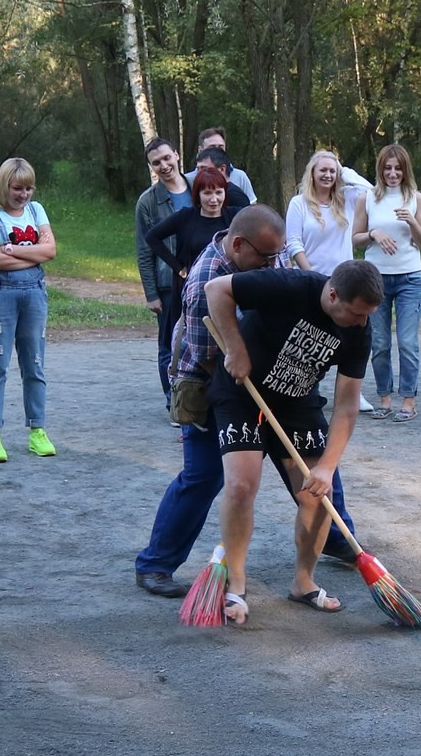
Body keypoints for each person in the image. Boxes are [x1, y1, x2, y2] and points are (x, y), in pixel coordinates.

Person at [135, 206, 368, 597]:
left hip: (277, 384)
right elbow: (210, 355)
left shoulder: (264, 265)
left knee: (318, 476)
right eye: (266, 256)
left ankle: (334, 537)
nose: (273, 263)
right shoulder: (206, 279)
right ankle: (156, 564)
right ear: (240, 245)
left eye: (277, 255)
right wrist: (250, 395)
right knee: (207, 476)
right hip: (212, 382)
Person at [202, 258, 383, 620]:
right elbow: (216, 289)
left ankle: (303, 581)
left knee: (318, 496)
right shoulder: (289, 285)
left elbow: (347, 406)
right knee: (241, 485)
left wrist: (327, 468)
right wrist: (236, 349)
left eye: (368, 316)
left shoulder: (359, 330)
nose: (363, 323)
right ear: (333, 295)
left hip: (297, 402)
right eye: (356, 313)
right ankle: (236, 584)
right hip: (242, 394)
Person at [0, 156, 56, 462]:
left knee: (34, 363)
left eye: (28, 188)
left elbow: (51, 250)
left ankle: (37, 430)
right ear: (4, 185)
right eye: (17, 188)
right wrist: (34, 256)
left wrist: (15, 252)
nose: (24, 195)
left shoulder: (36, 211)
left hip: (34, 293)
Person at [359, 143, 421, 421]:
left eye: (398, 168)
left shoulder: (416, 198)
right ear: (380, 169)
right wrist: (373, 233)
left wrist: (412, 221)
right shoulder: (368, 198)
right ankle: (385, 399)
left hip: (409, 278)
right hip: (375, 279)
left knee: (407, 342)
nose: (392, 173)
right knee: (379, 343)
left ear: (405, 170)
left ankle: (408, 401)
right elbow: (355, 238)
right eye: (387, 168)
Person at [143, 161, 239, 312]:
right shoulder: (185, 217)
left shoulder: (235, 216)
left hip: (226, 291)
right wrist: (178, 267)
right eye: (207, 193)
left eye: (218, 192)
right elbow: (152, 237)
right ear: (197, 194)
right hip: (192, 292)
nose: (214, 199)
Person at [135, 137, 190, 396]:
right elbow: (144, 251)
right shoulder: (147, 202)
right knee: (170, 343)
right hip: (168, 283)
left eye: (167, 158)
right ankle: (173, 400)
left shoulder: (198, 188)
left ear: (177, 155)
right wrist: (151, 294)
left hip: (203, 278)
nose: (164, 165)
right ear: (151, 167)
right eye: (156, 163)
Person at [285, 148, 367, 273]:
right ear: (312, 173)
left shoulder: (347, 198)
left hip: (343, 278)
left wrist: (343, 171)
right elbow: (294, 244)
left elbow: (372, 193)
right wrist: (311, 275)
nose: (328, 175)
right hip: (310, 277)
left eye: (332, 171)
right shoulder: (298, 203)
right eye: (323, 170)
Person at [195, 126, 256, 203]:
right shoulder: (188, 180)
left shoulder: (240, 176)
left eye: (221, 147)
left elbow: (252, 207)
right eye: (212, 147)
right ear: (200, 150)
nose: (217, 150)